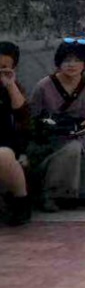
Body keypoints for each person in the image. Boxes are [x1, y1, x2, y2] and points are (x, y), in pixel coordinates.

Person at [27, 39, 85, 209]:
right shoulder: (44, 86)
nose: (72, 65)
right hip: (52, 136)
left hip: (79, 130)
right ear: (59, 62)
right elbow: (32, 117)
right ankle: (56, 194)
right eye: (67, 60)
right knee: (74, 148)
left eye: (77, 60)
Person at [0, 41, 31, 225]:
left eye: (4, 67)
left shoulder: (12, 88)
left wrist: (10, 85)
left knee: (2, 155)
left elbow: (22, 114)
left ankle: (21, 201)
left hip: (7, 143)